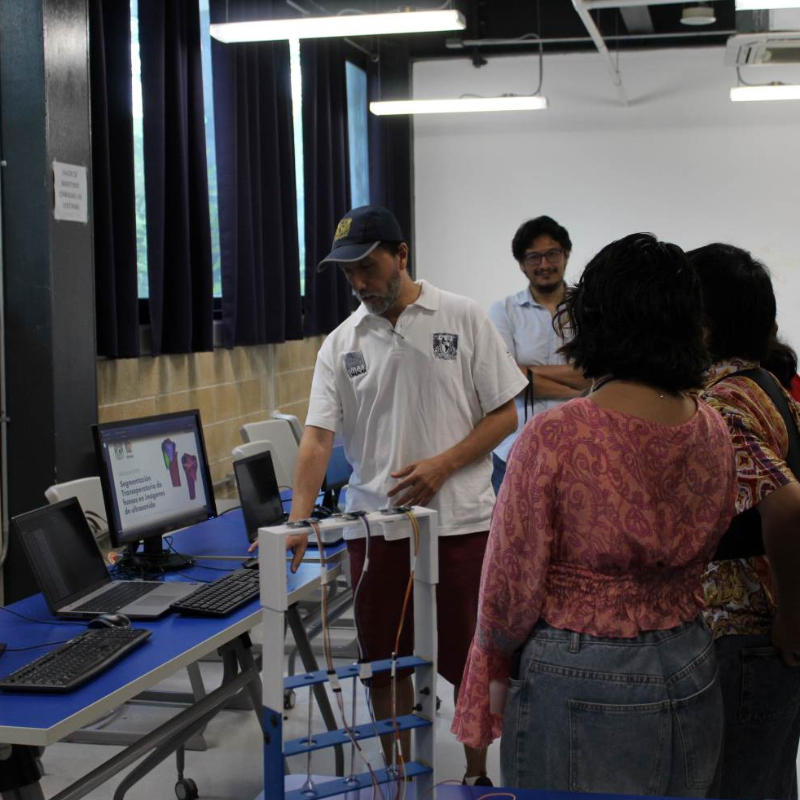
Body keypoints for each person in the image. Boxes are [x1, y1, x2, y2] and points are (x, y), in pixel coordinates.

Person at [453, 233, 737, 796]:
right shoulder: (712, 427)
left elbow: (508, 595)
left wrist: (487, 674)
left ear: (594, 320)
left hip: (581, 670)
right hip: (690, 656)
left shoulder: (556, 436)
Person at [284, 205, 526, 786]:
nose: (360, 284)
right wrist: (295, 523)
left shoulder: (463, 317)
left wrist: (444, 464)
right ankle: (392, 777)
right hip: (379, 530)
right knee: (382, 663)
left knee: (477, 660)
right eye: (349, 275)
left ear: (402, 255)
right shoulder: (341, 343)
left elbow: (505, 415)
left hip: (464, 523)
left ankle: (477, 771)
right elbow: (317, 438)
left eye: (368, 268)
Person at [688, 243, 800, 800]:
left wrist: (792, 618)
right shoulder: (765, 385)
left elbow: (788, 502)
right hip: (762, 636)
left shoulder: (720, 405)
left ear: (703, 326)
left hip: (743, 636)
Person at [488, 216, 588, 493]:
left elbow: (591, 371)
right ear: (521, 264)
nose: (544, 265)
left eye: (552, 254)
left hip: (579, 446)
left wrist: (526, 371)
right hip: (515, 448)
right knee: (513, 534)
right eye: (534, 257)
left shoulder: (588, 310)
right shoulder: (503, 311)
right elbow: (506, 378)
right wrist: (575, 393)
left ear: (566, 255)